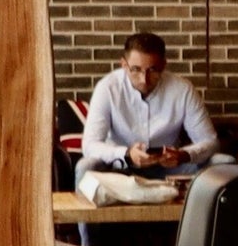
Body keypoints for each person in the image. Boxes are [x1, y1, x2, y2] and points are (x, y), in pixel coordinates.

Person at [79, 31, 214, 187]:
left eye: (153, 70)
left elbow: (210, 141)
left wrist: (184, 155)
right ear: (124, 64)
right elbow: (90, 145)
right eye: (135, 69)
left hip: (168, 168)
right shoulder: (107, 88)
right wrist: (127, 154)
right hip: (120, 167)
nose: (144, 79)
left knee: (224, 163)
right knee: (85, 166)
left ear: (163, 65)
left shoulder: (182, 89)